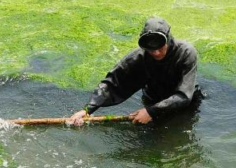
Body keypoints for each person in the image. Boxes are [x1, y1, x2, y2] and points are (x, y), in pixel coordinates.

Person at [68, 17, 200, 126]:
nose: (156, 53)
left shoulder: (187, 53)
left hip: (183, 105)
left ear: (169, 40)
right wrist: (87, 110)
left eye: (160, 47)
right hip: (153, 100)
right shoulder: (139, 57)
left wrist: (151, 112)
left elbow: (184, 96)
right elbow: (112, 83)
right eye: (151, 50)